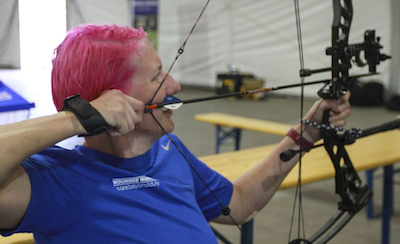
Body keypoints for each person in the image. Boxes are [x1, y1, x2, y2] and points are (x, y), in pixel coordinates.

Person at [0, 24, 351, 243]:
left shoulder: (169, 150)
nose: (175, 84)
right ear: (111, 99)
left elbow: (239, 204)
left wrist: (306, 133)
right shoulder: (58, 181)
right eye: (156, 77)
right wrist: (76, 119)